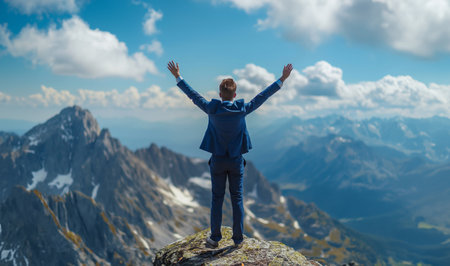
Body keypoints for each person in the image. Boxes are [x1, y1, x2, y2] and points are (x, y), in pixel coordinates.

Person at [167, 61, 293, 248]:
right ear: (235, 95)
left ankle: (215, 238)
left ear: (219, 95)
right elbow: (262, 97)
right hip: (235, 161)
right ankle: (238, 240)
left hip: (217, 161)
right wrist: (282, 79)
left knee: (217, 199)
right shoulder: (242, 110)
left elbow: (193, 95)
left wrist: (178, 76)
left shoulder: (212, 109)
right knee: (237, 199)